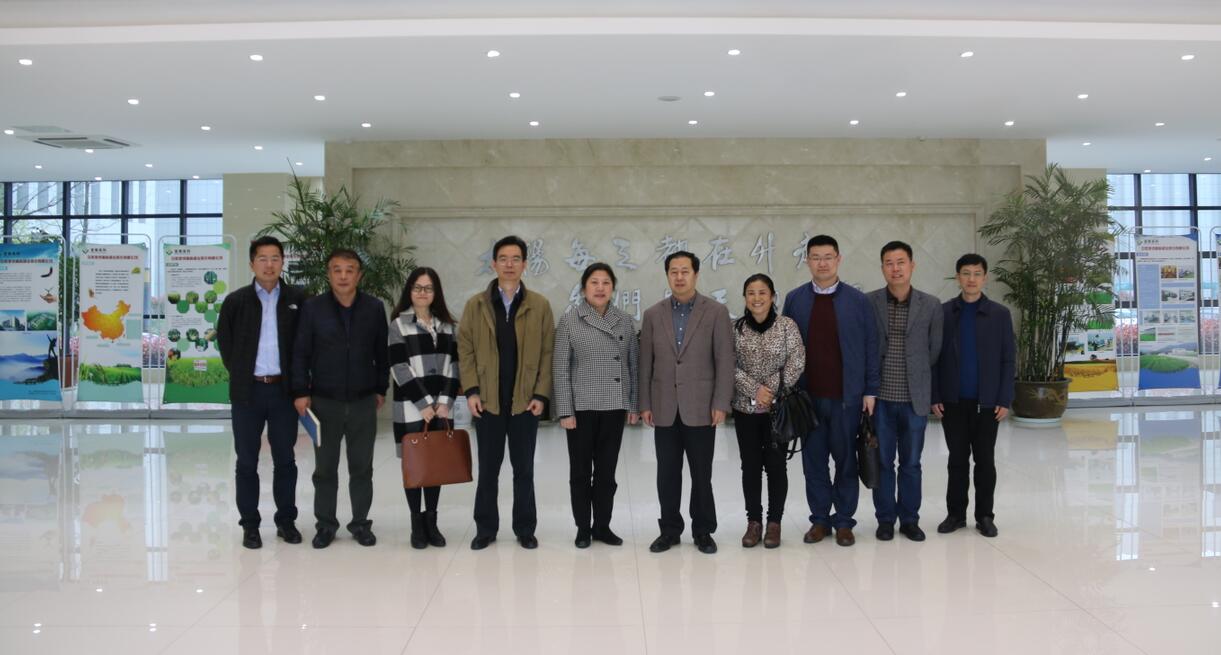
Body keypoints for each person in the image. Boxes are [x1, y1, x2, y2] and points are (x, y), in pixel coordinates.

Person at [458, 235, 555, 550]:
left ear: (525, 264)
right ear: (493, 264)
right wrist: (471, 390)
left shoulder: (539, 305)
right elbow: (465, 350)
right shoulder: (476, 305)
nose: (509, 264)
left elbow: (547, 353)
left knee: (524, 470)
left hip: (525, 402)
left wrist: (541, 395)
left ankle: (525, 529)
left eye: (515, 259)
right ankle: (485, 529)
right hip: (487, 401)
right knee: (488, 470)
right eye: (503, 258)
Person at [782, 235, 879, 547]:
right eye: (815, 257)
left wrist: (870, 390)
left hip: (846, 398)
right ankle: (820, 520)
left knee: (846, 461)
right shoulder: (795, 299)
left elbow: (871, 346)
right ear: (807, 261)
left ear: (838, 259)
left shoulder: (858, 301)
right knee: (813, 463)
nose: (822, 263)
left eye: (828, 257)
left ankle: (845, 521)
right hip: (807, 399)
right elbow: (786, 346)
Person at [291, 248, 389, 549]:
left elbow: (382, 352)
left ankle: (360, 524)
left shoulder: (373, 308)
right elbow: (300, 352)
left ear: (359, 275)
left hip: (363, 401)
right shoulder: (313, 308)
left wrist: (380, 388)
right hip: (324, 401)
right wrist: (300, 392)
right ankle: (325, 525)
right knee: (325, 469)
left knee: (362, 468)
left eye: (350, 270)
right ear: (328, 274)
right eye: (337, 270)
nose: (343, 276)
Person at [639, 251, 735, 555]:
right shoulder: (653, 314)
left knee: (701, 474)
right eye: (674, 272)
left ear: (696, 274)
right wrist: (645, 403)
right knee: (667, 474)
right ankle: (669, 530)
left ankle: (703, 530)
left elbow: (725, 360)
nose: (679, 277)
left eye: (685, 271)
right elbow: (645, 363)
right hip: (664, 406)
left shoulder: (716, 312)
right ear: (667, 275)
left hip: (702, 407)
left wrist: (721, 402)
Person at [217, 235, 308, 549]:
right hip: (248, 393)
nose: (269, 265)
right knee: (246, 461)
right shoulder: (236, 301)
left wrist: (300, 386)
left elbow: (305, 346)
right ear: (251, 263)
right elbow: (226, 345)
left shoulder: (298, 299)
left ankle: (286, 521)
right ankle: (250, 525)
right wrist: (243, 374)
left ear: (283, 262)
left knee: (285, 459)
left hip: (283, 392)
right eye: (262, 258)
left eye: (275, 258)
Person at [552, 263, 639, 548]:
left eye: (606, 283)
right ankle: (582, 527)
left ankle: (602, 526)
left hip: (614, 407)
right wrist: (565, 410)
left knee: (606, 473)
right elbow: (561, 369)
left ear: (613, 288)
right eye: (594, 282)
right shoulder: (570, 320)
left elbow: (633, 366)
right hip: (581, 408)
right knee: (580, 473)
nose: (600, 288)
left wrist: (633, 405)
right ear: (583, 288)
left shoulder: (624, 320)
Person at [931, 253, 1015, 538]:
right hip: (952, 402)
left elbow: (1008, 359)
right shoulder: (943, 312)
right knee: (956, 460)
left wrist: (1004, 398)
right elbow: (934, 358)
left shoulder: (999, 314)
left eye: (977, 274)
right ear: (958, 277)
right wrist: (935, 395)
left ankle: (985, 516)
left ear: (985, 278)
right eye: (966, 273)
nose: (971, 279)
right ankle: (955, 515)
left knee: (985, 461)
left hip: (987, 403)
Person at [866, 241, 943, 542]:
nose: (895, 268)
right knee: (883, 463)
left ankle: (910, 520)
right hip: (880, 400)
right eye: (889, 263)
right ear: (882, 267)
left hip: (914, 399)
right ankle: (885, 519)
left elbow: (934, 351)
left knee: (911, 464)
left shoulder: (931, 304)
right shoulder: (869, 302)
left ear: (912, 265)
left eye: (901, 262)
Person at [388, 267, 460, 549]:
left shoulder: (447, 325)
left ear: (435, 293)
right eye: (417, 287)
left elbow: (454, 366)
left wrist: (444, 402)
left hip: (441, 408)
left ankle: (432, 521)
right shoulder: (398, 325)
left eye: (428, 288)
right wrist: (424, 404)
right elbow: (399, 368)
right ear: (410, 291)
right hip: (410, 407)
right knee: (414, 465)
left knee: (435, 464)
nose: (422, 293)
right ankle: (416, 524)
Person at [731, 273, 804, 549]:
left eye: (762, 292)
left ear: (773, 296)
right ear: (745, 298)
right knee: (749, 466)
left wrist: (769, 392)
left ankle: (774, 523)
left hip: (778, 410)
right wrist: (754, 390)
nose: (757, 298)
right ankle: (754, 522)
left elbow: (797, 360)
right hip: (745, 410)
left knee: (776, 465)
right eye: (751, 293)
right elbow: (728, 364)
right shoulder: (735, 329)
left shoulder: (787, 326)